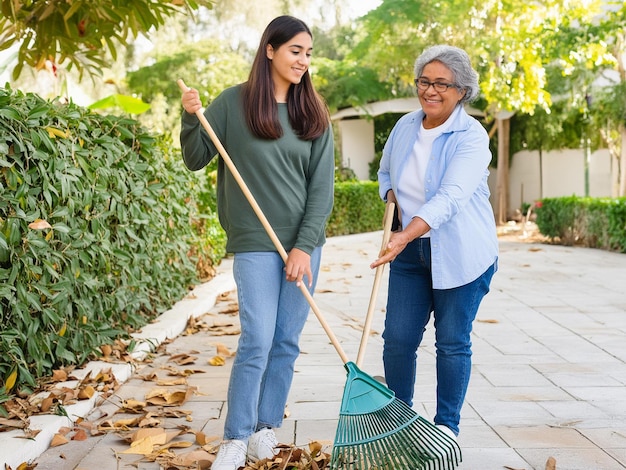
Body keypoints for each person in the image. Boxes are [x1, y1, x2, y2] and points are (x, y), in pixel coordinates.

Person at [179, 15, 334, 470]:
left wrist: (304, 246)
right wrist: (192, 117)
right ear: (270, 49)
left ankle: (265, 431)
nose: (303, 60)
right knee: (257, 340)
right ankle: (236, 436)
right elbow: (195, 158)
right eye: (295, 51)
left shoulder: (314, 114)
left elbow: (321, 191)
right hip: (254, 242)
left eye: (308, 53)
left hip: (304, 246)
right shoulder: (233, 104)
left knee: (285, 341)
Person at [370, 45, 498, 439]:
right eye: (424, 81)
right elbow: (385, 172)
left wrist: (404, 234)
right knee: (397, 339)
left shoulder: (471, 136)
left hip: (462, 255)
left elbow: (452, 196)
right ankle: (400, 423)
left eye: (442, 83)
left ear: (462, 91)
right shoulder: (406, 125)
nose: (430, 90)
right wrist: (391, 197)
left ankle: (447, 429)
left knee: (452, 342)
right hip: (409, 253)